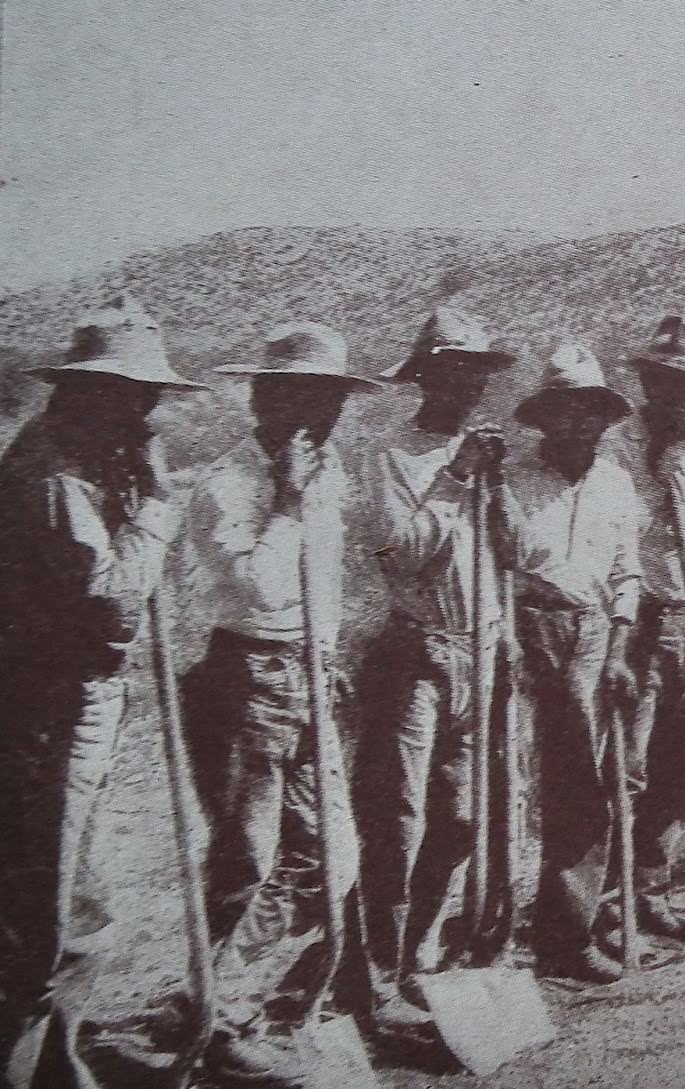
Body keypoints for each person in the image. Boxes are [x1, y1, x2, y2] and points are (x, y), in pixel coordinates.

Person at [0, 297, 205, 1087]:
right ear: (87, 393)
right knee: (41, 912)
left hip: (78, 702)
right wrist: (156, 507)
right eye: (131, 396)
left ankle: (60, 1062)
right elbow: (114, 607)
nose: (146, 413)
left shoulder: (90, 460)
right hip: (44, 710)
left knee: (80, 905)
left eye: (147, 397)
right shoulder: (52, 476)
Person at [184, 321, 381, 1081]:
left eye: (329, 399)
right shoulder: (227, 483)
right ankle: (218, 1019)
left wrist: (327, 650)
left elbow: (324, 577)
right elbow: (261, 586)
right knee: (246, 856)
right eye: (299, 396)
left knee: (326, 856)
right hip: (248, 677)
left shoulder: (327, 470)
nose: (316, 415)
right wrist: (288, 505)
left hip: (309, 669)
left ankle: (218, 993)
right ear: (264, 399)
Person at [354, 306, 515, 1027]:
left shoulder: (481, 454)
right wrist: (455, 478)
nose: (467, 386)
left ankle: (423, 952)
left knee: (461, 817)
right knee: (399, 818)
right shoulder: (395, 453)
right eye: (453, 371)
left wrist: (495, 487)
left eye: (476, 373)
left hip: (480, 650)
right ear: (425, 375)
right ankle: (376, 971)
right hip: (417, 649)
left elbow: (508, 556)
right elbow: (401, 553)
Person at [495, 343, 641, 983]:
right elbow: (495, 566)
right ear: (545, 417)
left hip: (591, 632)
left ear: (604, 420)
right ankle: (485, 935)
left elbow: (627, 573)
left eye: (591, 412)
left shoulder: (615, 482)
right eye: (566, 411)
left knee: (584, 783)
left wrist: (617, 649)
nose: (579, 423)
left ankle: (567, 934)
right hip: (524, 627)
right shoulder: (512, 482)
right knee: (509, 781)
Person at [610, 316, 685, 943]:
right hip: (641, 622)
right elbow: (614, 538)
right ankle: (609, 900)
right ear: (649, 384)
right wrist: (657, 505)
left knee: (677, 773)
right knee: (627, 770)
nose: (681, 398)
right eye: (668, 385)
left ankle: (650, 891)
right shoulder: (621, 447)